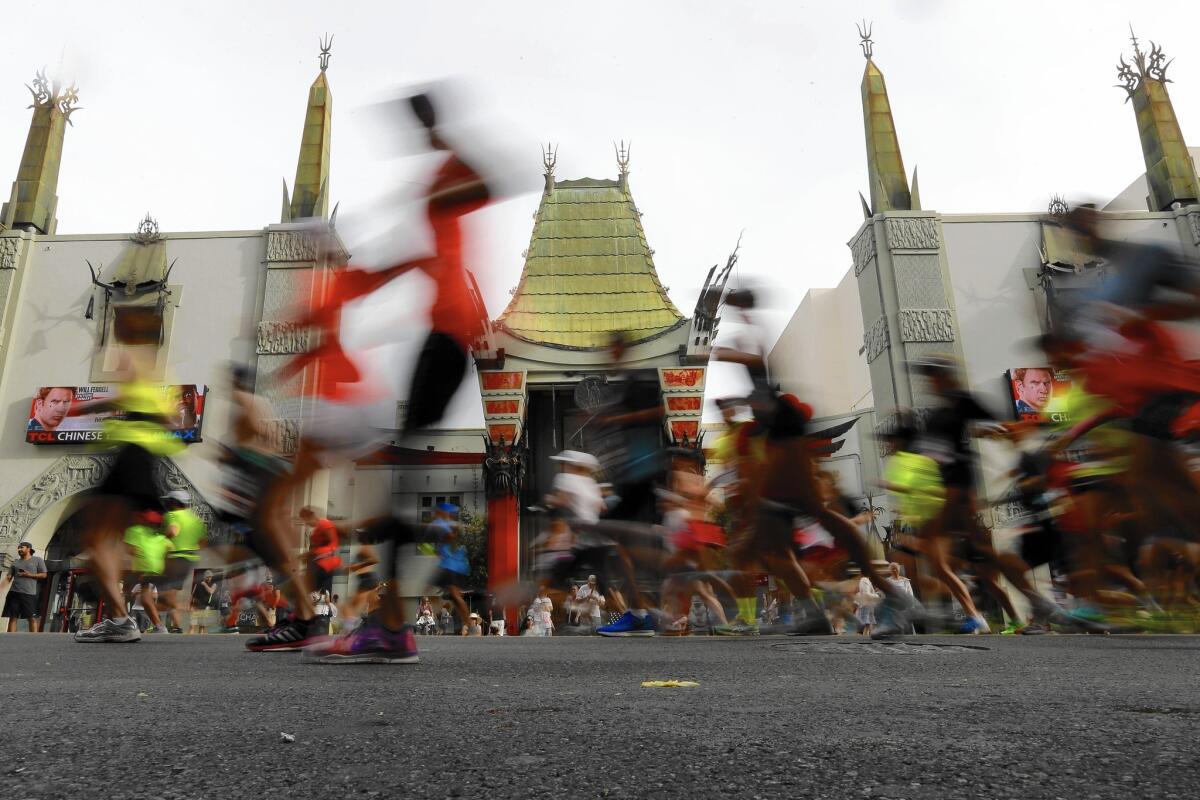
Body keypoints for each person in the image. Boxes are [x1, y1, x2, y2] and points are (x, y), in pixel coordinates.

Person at [159, 490, 207, 633]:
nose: (167, 504)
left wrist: (160, 538)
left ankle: (179, 625)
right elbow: (203, 542)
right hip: (189, 560)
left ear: (174, 502)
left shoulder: (171, 515)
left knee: (166, 595)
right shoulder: (196, 520)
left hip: (175, 557)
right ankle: (179, 626)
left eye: (169, 501)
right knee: (172, 593)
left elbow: (172, 531)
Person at [2, 542, 48, 632]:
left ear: (28, 549)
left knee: (31, 618)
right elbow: (8, 577)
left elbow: (44, 575)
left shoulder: (37, 560)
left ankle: (33, 640)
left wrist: (29, 575)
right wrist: (2, 586)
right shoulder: (15, 562)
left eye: (21, 548)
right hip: (13, 593)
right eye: (18, 548)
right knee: (13, 618)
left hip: (29, 594)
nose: (19, 550)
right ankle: (12, 640)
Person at [300, 507, 342, 598]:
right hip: (318, 563)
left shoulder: (324, 524)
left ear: (311, 517)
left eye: (306, 520)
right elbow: (316, 549)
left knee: (321, 593)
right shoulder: (315, 530)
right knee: (315, 593)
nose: (306, 523)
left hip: (324, 563)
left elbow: (332, 542)